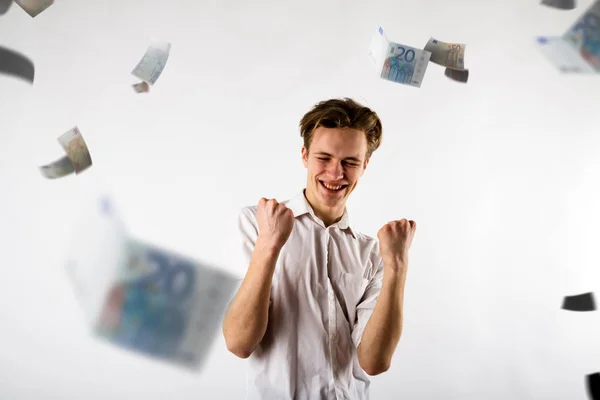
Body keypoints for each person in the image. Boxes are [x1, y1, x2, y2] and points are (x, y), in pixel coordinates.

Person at [222, 98, 417, 400]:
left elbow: (375, 362)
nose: (336, 173)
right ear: (304, 156)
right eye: (323, 157)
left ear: (365, 166)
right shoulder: (256, 223)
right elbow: (238, 342)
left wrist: (398, 266)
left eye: (350, 162)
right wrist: (269, 245)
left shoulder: (372, 252)